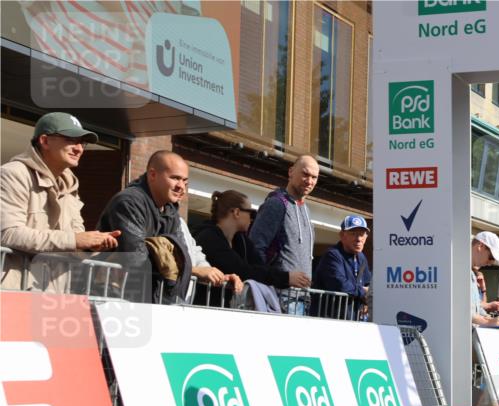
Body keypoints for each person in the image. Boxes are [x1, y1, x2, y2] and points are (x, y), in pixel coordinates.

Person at [1, 112, 120, 290]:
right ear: (45, 141)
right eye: (70, 139)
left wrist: (93, 245)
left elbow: (73, 243)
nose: (79, 148)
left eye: (82, 142)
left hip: (54, 294)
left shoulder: (70, 187)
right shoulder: (13, 174)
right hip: (14, 292)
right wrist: (75, 240)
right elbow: (8, 233)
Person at [98, 151, 239, 298]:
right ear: (152, 175)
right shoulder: (128, 202)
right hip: (114, 301)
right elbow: (136, 258)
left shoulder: (171, 211)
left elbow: (182, 254)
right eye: (175, 178)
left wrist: (218, 276)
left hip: (149, 301)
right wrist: (193, 270)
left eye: (185, 181)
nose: (182, 187)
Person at [194, 190, 310, 296]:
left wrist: (284, 277)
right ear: (236, 213)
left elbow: (259, 266)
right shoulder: (209, 238)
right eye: (251, 213)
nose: (253, 218)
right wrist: (286, 278)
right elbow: (242, 270)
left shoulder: (241, 240)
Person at [249, 155, 319, 313]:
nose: (309, 181)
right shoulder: (276, 204)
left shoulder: (306, 210)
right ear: (291, 172)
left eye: (314, 177)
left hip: (302, 299)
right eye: (305, 174)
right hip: (278, 297)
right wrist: (274, 280)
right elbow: (256, 248)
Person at [313, 214, 372, 320]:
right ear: (342, 235)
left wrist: (367, 300)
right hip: (328, 319)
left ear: (366, 237)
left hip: (353, 319)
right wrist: (363, 292)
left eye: (362, 234)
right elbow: (340, 284)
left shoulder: (361, 257)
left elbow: (368, 282)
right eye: (353, 234)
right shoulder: (332, 255)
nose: (358, 239)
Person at [471, 231, 499, 326]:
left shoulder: (470, 274)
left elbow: (475, 308)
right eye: (491, 257)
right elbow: (462, 310)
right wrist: (488, 321)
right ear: (480, 246)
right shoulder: (459, 270)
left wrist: (492, 319)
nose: (490, 262)